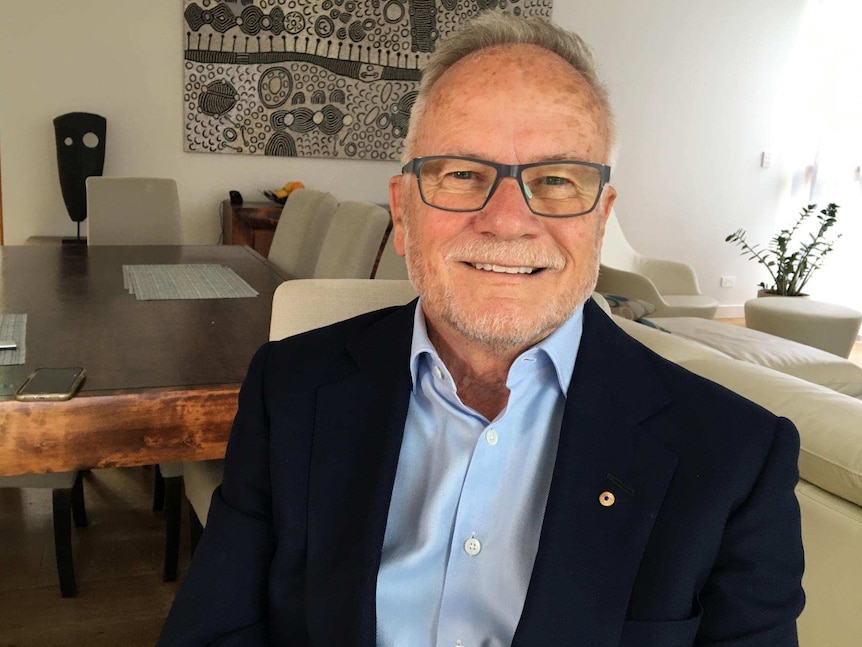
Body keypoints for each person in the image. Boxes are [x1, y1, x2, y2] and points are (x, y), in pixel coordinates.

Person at [159, 12, 804, 647]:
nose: (507, 221)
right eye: (463, 174)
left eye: (555, 180)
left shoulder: (734, 458)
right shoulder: (290, 388)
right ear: (403, 211)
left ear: (600, 220)